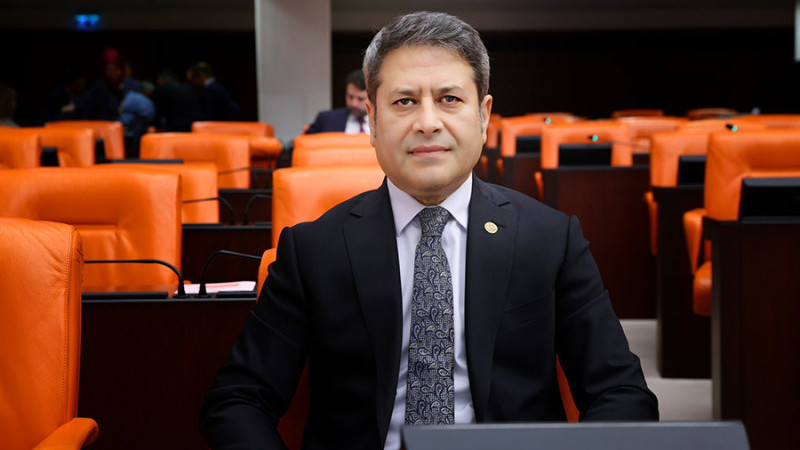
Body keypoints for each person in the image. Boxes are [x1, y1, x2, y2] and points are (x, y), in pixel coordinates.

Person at [200, 11, 658, 450]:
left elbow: (621, 393)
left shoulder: (551, 240)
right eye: (404, 102)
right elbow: (237, 401)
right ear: (372, 121)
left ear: (483, 116)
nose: (427, 122)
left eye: (449, 99)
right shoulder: (314, 250)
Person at [306, 69, 369, 134]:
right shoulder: (326, 120)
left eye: (360, 99)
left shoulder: (376, 123)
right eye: (350, 97)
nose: (354, 104)